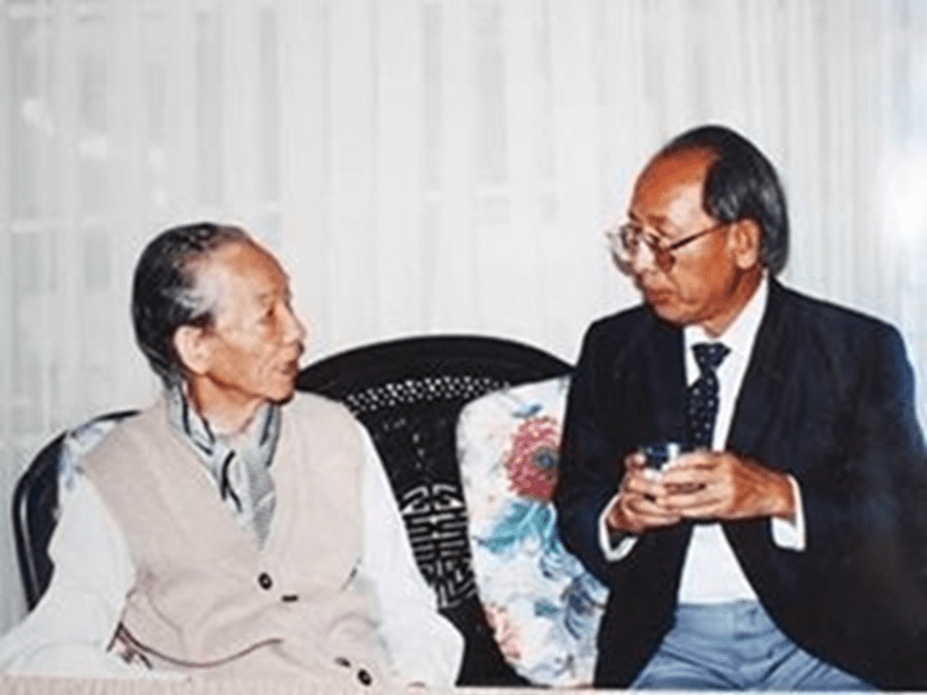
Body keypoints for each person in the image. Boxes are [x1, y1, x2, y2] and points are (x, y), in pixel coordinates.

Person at [0, 222, 463, 687]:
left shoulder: (338, 436)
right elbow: (43, 653)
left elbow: (407, 608)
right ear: (195, 347)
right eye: (267, 314)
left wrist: (418, 682)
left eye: (289, 304)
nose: (296, 331)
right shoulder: (117, 474)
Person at [553, 124, 927, 690]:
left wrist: (779, 496)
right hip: (674, 644)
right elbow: (577, 499)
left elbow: (902, 519)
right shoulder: (614, 348)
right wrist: (619, 517)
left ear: (744, 243)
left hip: (825, 642)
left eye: (663, 241)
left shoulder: (855, 350)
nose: (642, 264)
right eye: (634, 237)